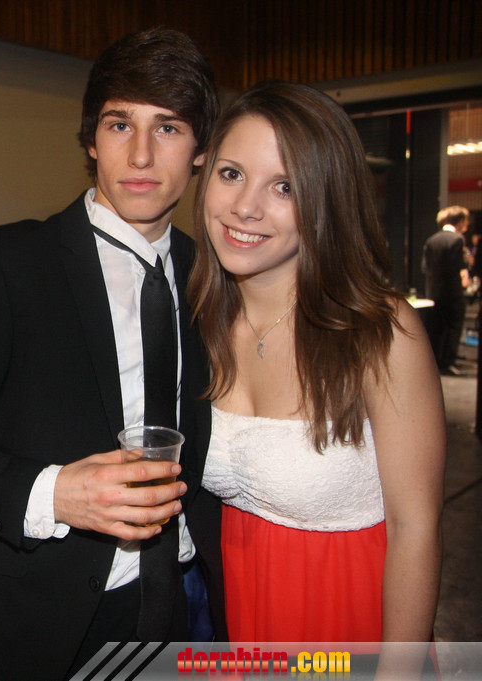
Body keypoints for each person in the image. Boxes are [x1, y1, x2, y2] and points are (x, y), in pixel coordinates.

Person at [0, 28, 223, 680]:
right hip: (33, 621)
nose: (140, 153)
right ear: (90, 138)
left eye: (167, 128)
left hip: (180, 608)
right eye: (119, 124)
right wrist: (54, 494)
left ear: (200, 152)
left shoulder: (212, 280)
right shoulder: (6, 263)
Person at [190, 81, 444, 647]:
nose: (246, 206)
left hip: (348, 621)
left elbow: (416, 528)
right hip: (240, 620)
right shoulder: (200, 320)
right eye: (231, 173)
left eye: (284, 186)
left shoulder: (379, 332)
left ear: (327, 198)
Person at [422, 205, 472, 374]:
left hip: (435, 292)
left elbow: (425, 268)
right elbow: (456, 266)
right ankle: (448, 361)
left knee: (437, 328)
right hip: (452, 292)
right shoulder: (457, 239)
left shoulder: (431, 240)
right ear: (460, 221)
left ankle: (436, 361)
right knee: (453, 327)